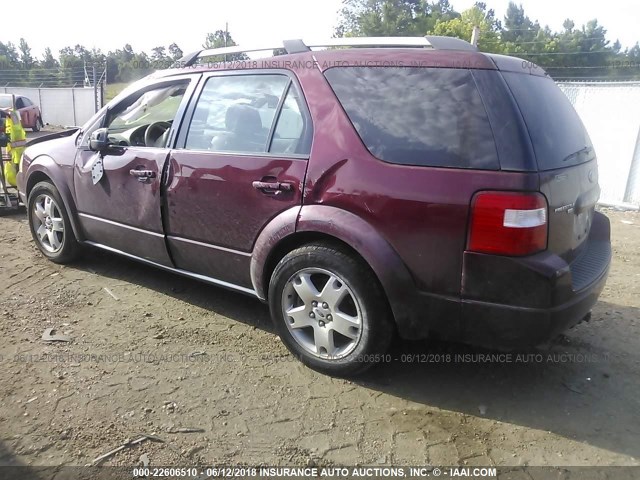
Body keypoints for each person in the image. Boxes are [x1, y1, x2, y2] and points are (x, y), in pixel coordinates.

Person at [1, 108, 27, 187]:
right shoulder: (12, 117)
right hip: (16, 150)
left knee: (19, 169)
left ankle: (20, 185)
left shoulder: (12, 117)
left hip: (17, 151)